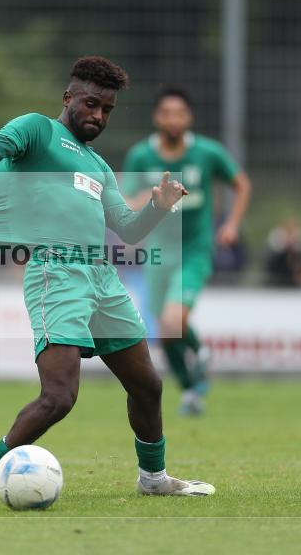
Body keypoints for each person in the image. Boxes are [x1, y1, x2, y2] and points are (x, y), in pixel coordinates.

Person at [0, 56, 215, 502]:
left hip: (102, 277)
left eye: (107, 109)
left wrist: (159, 205)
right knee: (59, 397)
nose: (98, 115)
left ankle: (154, 479)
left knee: (148, 385)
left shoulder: (99, 166)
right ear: (68, 98)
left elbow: (127, 227)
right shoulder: (39, 131)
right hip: (55, 273)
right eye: (91, 104)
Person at [122, 87, 251, 416]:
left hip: (194, 250)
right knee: (166, 333)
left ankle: (200, 350)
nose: (173, 119)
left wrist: (232, 224)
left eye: (180, 113)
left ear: (189, 118)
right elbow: (127, 202)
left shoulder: (207, 153)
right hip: (158, 253)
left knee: (172, 320)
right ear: (157, 118)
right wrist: (156, 199)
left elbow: (241, 184)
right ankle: (191, 390)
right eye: (167, 113)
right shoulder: (141, 156)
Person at [264, 216, 301, 287]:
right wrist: (283, 247)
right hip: (276, 283)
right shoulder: (274, 247)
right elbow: (270, 264)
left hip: (297, 286)